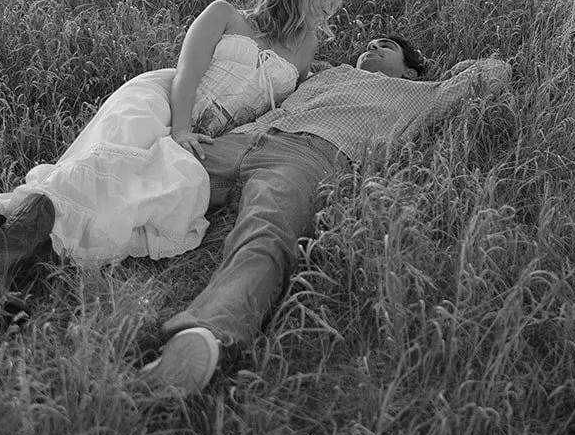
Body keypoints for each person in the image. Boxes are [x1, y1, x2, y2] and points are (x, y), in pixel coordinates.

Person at [0, 0, 345, 307]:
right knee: (93, 175)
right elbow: (186, 74)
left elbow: (286, 103)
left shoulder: (304, 49)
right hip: (163, 102)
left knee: (119, 197)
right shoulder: (225, 14)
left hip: (212, 135)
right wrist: (179, 129)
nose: (331, 11)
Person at [137, 34, 513, 393]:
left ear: (411, 70)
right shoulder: (326, 72)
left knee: (266, 235)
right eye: (370, 43)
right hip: (240, 139)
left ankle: (205, 335)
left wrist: (460, 68)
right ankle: (82, 241)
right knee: (143, 178)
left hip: (308, 158)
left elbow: (494, 72)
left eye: (387, 46)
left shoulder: (424, 94)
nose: (373, 46)